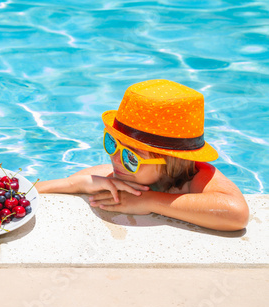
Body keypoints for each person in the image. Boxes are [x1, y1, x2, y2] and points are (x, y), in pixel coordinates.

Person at [36, 79, 249, 231]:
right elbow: (30, 190)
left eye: (131, 157)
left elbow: (237, 214)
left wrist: (151, 201)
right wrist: (79, 184)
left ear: (171, 161)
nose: (115, 159)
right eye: (112, 144)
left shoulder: (198, 176)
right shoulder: (118, 176)